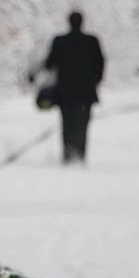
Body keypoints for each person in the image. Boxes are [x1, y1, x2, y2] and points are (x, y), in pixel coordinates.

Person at [42, 11, 105, 164]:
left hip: (65, 93)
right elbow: (100, 64)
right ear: (82, 22)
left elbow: (49, 63)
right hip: (86, 92)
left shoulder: (59, 41)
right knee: (82, 124)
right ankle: (80, 154)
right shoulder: (92, 41)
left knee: (67, 123)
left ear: (68, 22)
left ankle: (68, 154)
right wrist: (95, 81)